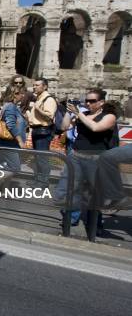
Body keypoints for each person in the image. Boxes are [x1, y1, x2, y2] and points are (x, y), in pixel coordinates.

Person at [55, 89, 118, 226]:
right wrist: (69, 112)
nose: (88, 103)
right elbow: (64, 127)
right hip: (77, 155)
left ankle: (95, 224)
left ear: (101, 102)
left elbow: (95, 128)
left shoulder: (109, 116)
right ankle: (71, 219)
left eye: (92, 101)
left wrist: (78, 114)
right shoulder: (83, 114)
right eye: (86, 101)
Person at [0, 86, 27, 188]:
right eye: (21, 93)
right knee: (15, 168)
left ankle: (5, 189)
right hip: (9, 142)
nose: (23, 96)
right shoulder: (10, 107)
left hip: (11, 142)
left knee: (8, 166)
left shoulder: (14, 107)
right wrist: (20, 141)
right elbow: (11, 125)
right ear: (14, 94)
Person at [27, 78, 58, 186]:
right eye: (34, 85)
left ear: (45, 87)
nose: (34, 87)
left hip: (43, 131)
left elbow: (50, 115)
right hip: (37, 130)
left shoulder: (48, 99)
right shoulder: (40, 98)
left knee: (42, 158)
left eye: (37, 85)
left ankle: (43, 182)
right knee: (38, 157)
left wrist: (38, 109)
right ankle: (38, 180)